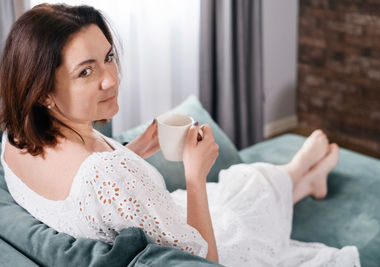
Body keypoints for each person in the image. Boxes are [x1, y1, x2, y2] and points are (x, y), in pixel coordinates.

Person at [0, 4, 360, 266]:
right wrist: (195, 175)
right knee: (245, 189)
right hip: (198, 239)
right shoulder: (107, 174)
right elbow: (205, 260)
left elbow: (87, 199)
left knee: (243, 190)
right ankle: (300, 171)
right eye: (86, 72)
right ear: (43, 90)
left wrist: (132, 151)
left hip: (160, 216)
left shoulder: (14, 141)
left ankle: (302, 176)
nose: (111, 78)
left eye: (108, 57)